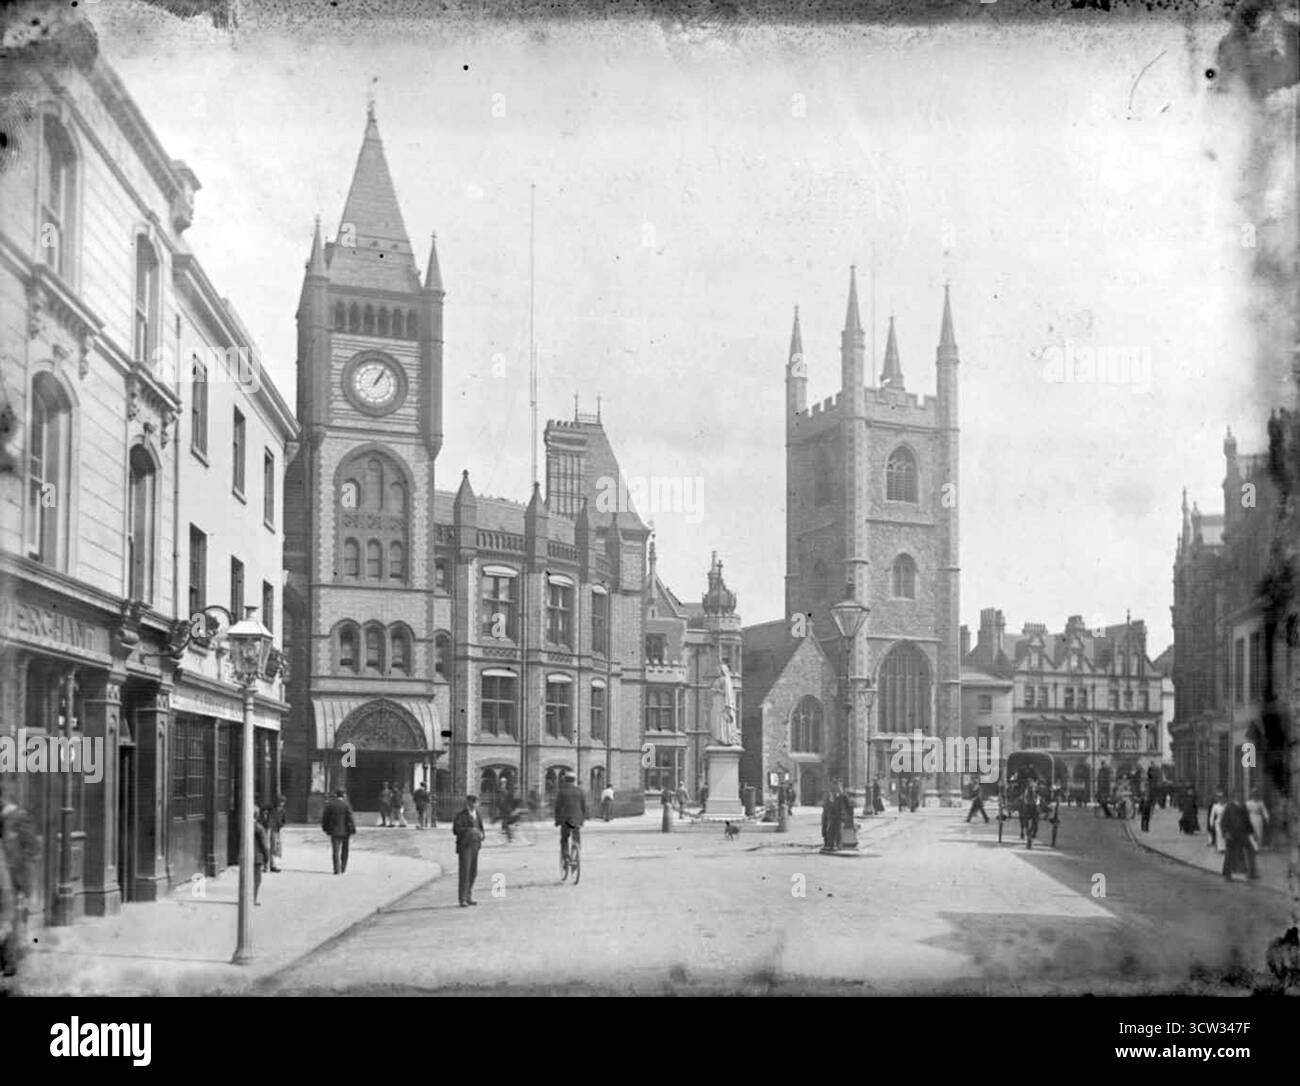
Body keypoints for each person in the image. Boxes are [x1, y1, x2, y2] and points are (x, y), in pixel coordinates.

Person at [0, 785, 38, 978]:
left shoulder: (18, 817)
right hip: (5, 872)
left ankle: (9, 961)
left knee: (11, 917)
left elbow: (31, 849)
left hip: (14, 875)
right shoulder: (5, 818)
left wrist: (25, 881)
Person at [452, 795, 485, 905]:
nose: (475, 805)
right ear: (468, 803)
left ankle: (469, 895)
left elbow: (481, 828)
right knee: (464, 872)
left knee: (473, 872)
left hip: (475, 845)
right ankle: (462, 899)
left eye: (476, 803)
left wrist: (482, 835)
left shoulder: (478, 815)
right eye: (473, 803)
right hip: (465, 846)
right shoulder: (461, 815)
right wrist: (469, 830)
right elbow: (456, 830)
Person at [1220, 792, 1257, 881]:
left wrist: (1252, 832)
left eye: (1242, 795)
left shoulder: (1243, 807)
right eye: (1239, 795)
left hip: (1243, 834)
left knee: (1250, 850)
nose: (1241, 797)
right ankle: (1227, 875)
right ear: (1235, 796)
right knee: (1229, 854)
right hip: (1232, 834)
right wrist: (1226, 832)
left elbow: (1247, 821)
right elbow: (1223, 821)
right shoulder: (1229, 807)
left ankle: (1251, 873)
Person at [554, 774, 587, 872]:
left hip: (566, 820)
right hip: (577, 819)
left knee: (564, 838)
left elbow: (558, 808)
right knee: (576, 836)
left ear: (565, 780)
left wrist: (557, 820)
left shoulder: (562, 791)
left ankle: (566, 856)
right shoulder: (580, 790)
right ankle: (577, 855)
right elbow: (584, 806)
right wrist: (582, 819)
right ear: (574, 780)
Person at [321, 788, 357, 874]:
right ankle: (343, 868)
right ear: (344, 795)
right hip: (346, 831)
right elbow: (350, 818)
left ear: (336, 795)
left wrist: (325, 829)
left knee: (335, 851)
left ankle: (336, 869)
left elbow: (325, 818)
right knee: (345, 850)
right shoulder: (346, 805)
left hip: (334, 831)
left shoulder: (330, 805)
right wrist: (353, 829)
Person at [821, 779, 849, 851]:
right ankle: (830, 845)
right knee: (831, 831)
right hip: (833, 817)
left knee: (838, 832)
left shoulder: (843, 796)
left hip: (840, 816)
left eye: (837, 787)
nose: (835, 788)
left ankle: (838, 846)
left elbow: (846, 807)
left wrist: (844, 816)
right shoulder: (834, 796)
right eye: (834, 786)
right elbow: (830, 806)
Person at [253, 807, 272, 905]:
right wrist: (267, 858)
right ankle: (253, 899)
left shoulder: (244, 826)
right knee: (257, 879)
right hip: (257, 857)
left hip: (245, 858)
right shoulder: (259, 828)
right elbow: (264, 845)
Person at [267, 795, 286, 871]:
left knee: (277, 847)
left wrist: (281, 825)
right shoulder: (271, 809)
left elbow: (283, 820)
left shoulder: (282, 811)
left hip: (277, 830)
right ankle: (272, 865)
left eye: (283, 802)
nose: (282, 804)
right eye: (281, 802)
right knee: (273, 847)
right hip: (272, 829)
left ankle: (274, 864)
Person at [1022, 781, 1040, 849]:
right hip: (1029, 807)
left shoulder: (1036, 793)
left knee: (1035, 822)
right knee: (1025, 816)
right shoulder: (1027, 792)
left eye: (1033, 788)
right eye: (1031, 787)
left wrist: (1036, 803)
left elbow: (1038, 799)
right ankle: (1027, 830)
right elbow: (1025, 799)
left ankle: (1033, 832)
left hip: (1034, 807)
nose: (1033, 789)